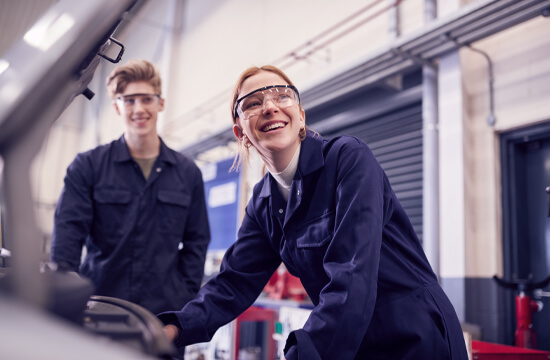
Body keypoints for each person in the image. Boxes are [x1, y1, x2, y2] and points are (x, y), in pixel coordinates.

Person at [159, 65, 468, 359]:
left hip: (413, 335)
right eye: (253, 102)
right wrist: (174, 328)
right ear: (240, 133)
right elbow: (233, 283)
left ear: (301, 116)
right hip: (351, 343)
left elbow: (352, 272)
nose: (270, 106)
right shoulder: (263, 203)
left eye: (282, 95)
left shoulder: (347, 159)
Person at [50, 59, 211, 316]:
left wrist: (184, 294)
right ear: (117, 106)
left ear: (161, 103)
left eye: (147, 99)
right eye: (129, 100)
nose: (139, 109)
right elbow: (67, 237)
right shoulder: (88, 167)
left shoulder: (187, 173)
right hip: (97, 310)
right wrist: (67, 297)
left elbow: (197, 241)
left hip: (163, 317)